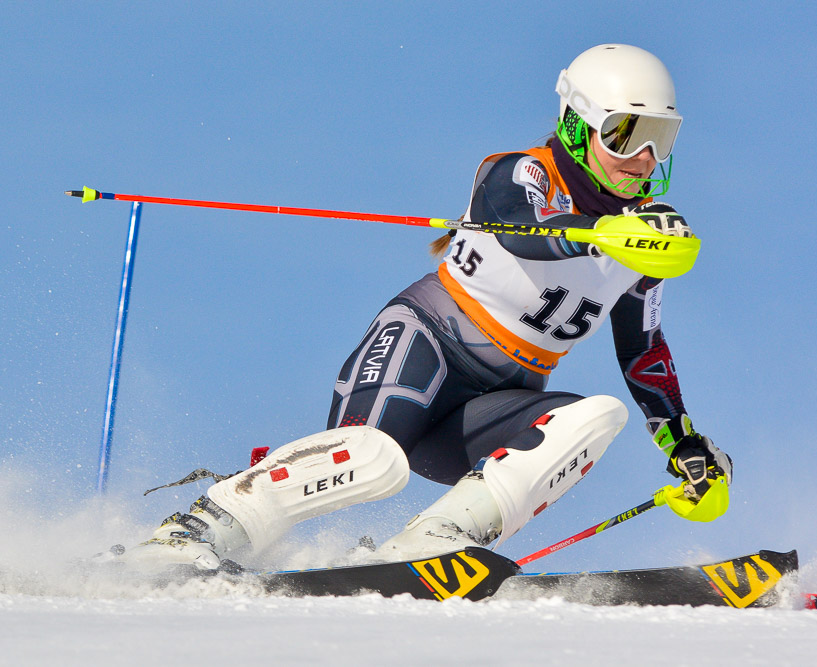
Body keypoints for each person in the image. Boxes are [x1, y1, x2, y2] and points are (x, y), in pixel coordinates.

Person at [121, 44, 733, 572]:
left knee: (593, 418)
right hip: (426, 346)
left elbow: (643, 351)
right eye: (627, 134)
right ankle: (198, 530)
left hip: (496, 402)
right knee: (372, 460)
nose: (646, 159)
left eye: (661, 139)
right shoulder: (520, 173)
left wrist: (684, 444)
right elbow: (525, 226)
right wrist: (602, 234)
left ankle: (435, 542)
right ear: (578, 126)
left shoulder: (645, 241)